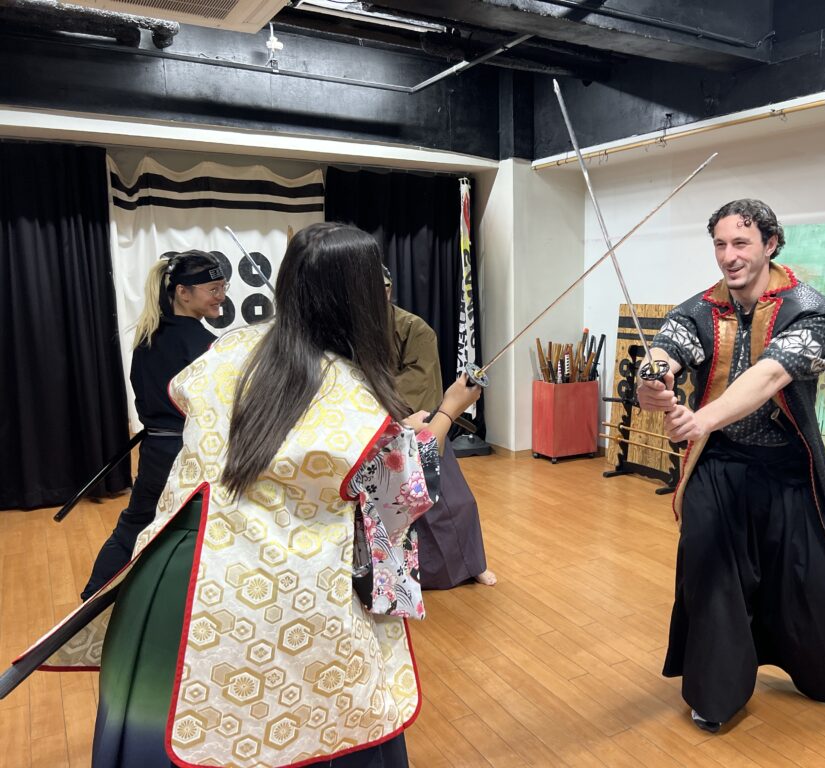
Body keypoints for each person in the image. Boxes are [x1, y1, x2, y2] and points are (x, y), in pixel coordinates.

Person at [24, 223, 480, 767]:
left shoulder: (229, 349)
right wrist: (449, 410)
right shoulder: (353, 395)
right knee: (316, 725)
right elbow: (398, 494)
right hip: (280, 595)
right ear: (363, 299)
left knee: (171, 726)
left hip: (173, 572)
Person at [637, 199, 825, 734]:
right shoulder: (699, 309)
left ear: (770, 243)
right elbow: (665, 350)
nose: (729, 256)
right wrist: (654, 380)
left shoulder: (810, 309)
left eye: (741, 243)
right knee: (710, 576)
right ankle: (714, 693)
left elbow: (771, 375)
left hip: (791, 469)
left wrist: (699, 419)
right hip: (720, 466)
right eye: (720, 244)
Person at [81, 250, 224, 599]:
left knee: (134, 525)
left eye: (223, 287)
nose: (221, 296)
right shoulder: (205, 345)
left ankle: (91, 600)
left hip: (156, 450)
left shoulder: (148, 337)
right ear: (183, 292)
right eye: (213, 289)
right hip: (190, 452)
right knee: (204, 531)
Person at [383, 265, 496, 588]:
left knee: (453, 504)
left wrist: (386, 405)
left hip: (413, 424)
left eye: (385, 287)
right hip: (372, 431)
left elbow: (420, 384)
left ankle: (471, 565)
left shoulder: (413, 329)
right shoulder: (347, 329)